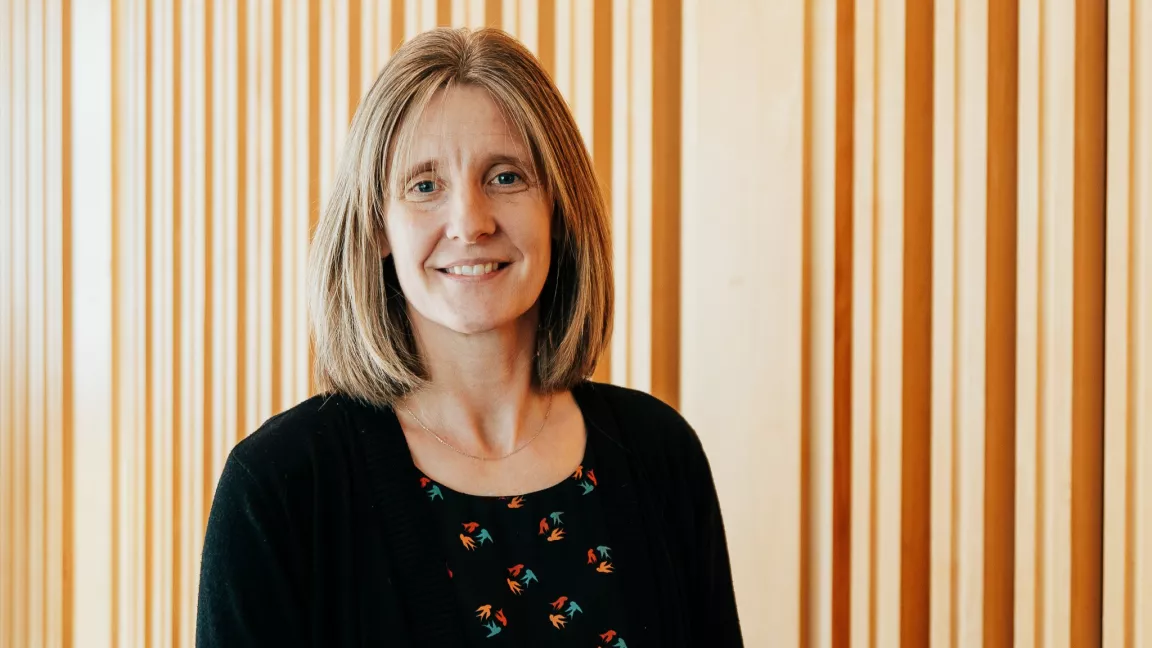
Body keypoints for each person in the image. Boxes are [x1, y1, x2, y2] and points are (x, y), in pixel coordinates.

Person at [196, 27, 742, 647]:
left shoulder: (660, 456)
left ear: (557, 209)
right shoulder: (280, 486)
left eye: (505, 177)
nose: (470, 223)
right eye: (425, 186)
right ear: (379, 228)